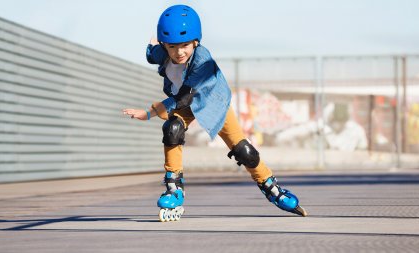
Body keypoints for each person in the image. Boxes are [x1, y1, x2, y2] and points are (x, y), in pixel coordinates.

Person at [123, 4, 307, 222]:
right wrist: (151, 46)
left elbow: (184, 95)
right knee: (172, 129)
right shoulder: (163, 52)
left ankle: (272, 188)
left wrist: (150, 112)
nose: (179, 53)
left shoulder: (203, 59)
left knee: (244, 151)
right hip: (185, 105)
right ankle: (174, 189)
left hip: (211, 102)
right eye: (172, 47)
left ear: (196, 42)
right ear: (164, 45)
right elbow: (151, 54)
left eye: (185, 46)